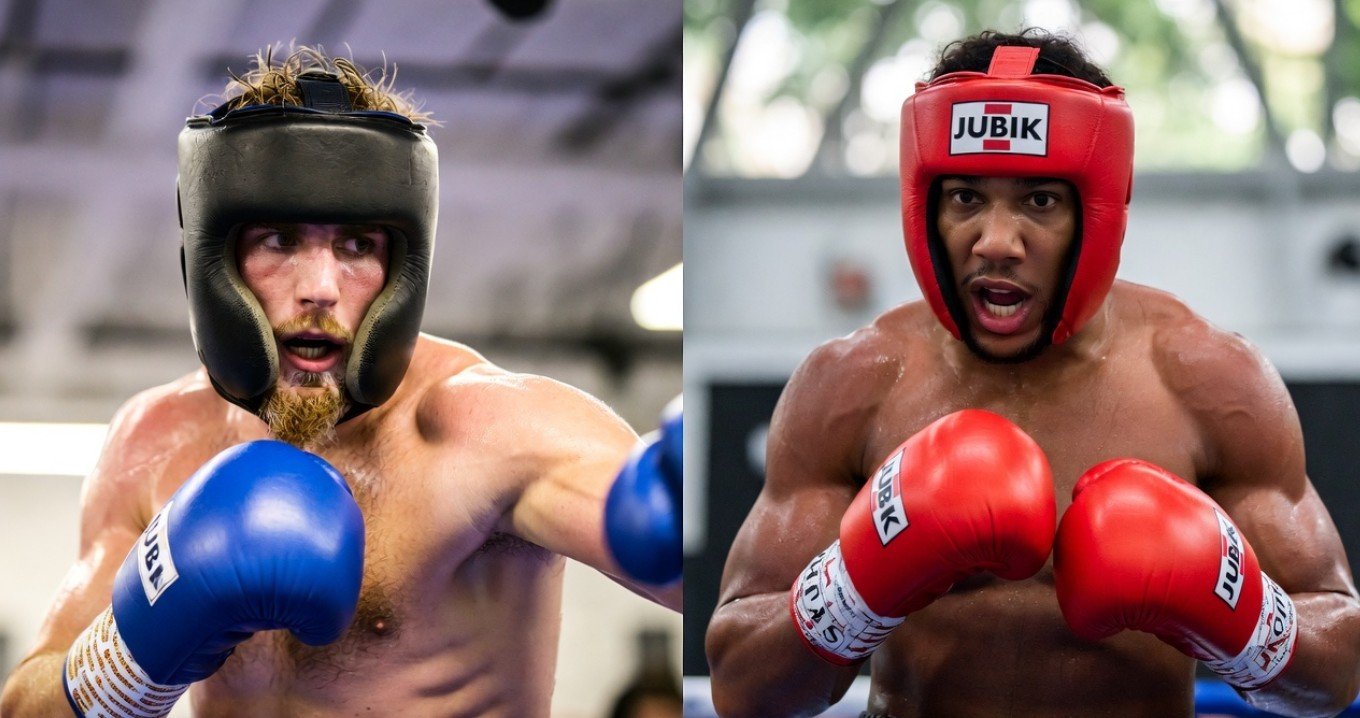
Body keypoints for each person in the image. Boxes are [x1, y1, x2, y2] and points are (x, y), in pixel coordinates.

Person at [0, 47, 680, 718]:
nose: (321, 289)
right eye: (279, 240)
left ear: (402, 269)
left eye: (358, 246)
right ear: (214, 259)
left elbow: (705, 577)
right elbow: (28, 704)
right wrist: (135, 652)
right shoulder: (152, 443)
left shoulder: (488, 429)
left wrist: (670, 525)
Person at [705, 29, 1360, 717]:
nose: (994, 241)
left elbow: (1335, 672)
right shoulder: (854, 384)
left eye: (1039, 201)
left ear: (1097, 212)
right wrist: (855, 589)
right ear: (924, 208)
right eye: (964, 198)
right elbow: (741, 687)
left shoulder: (1208, 382)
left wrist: (1242, 621)